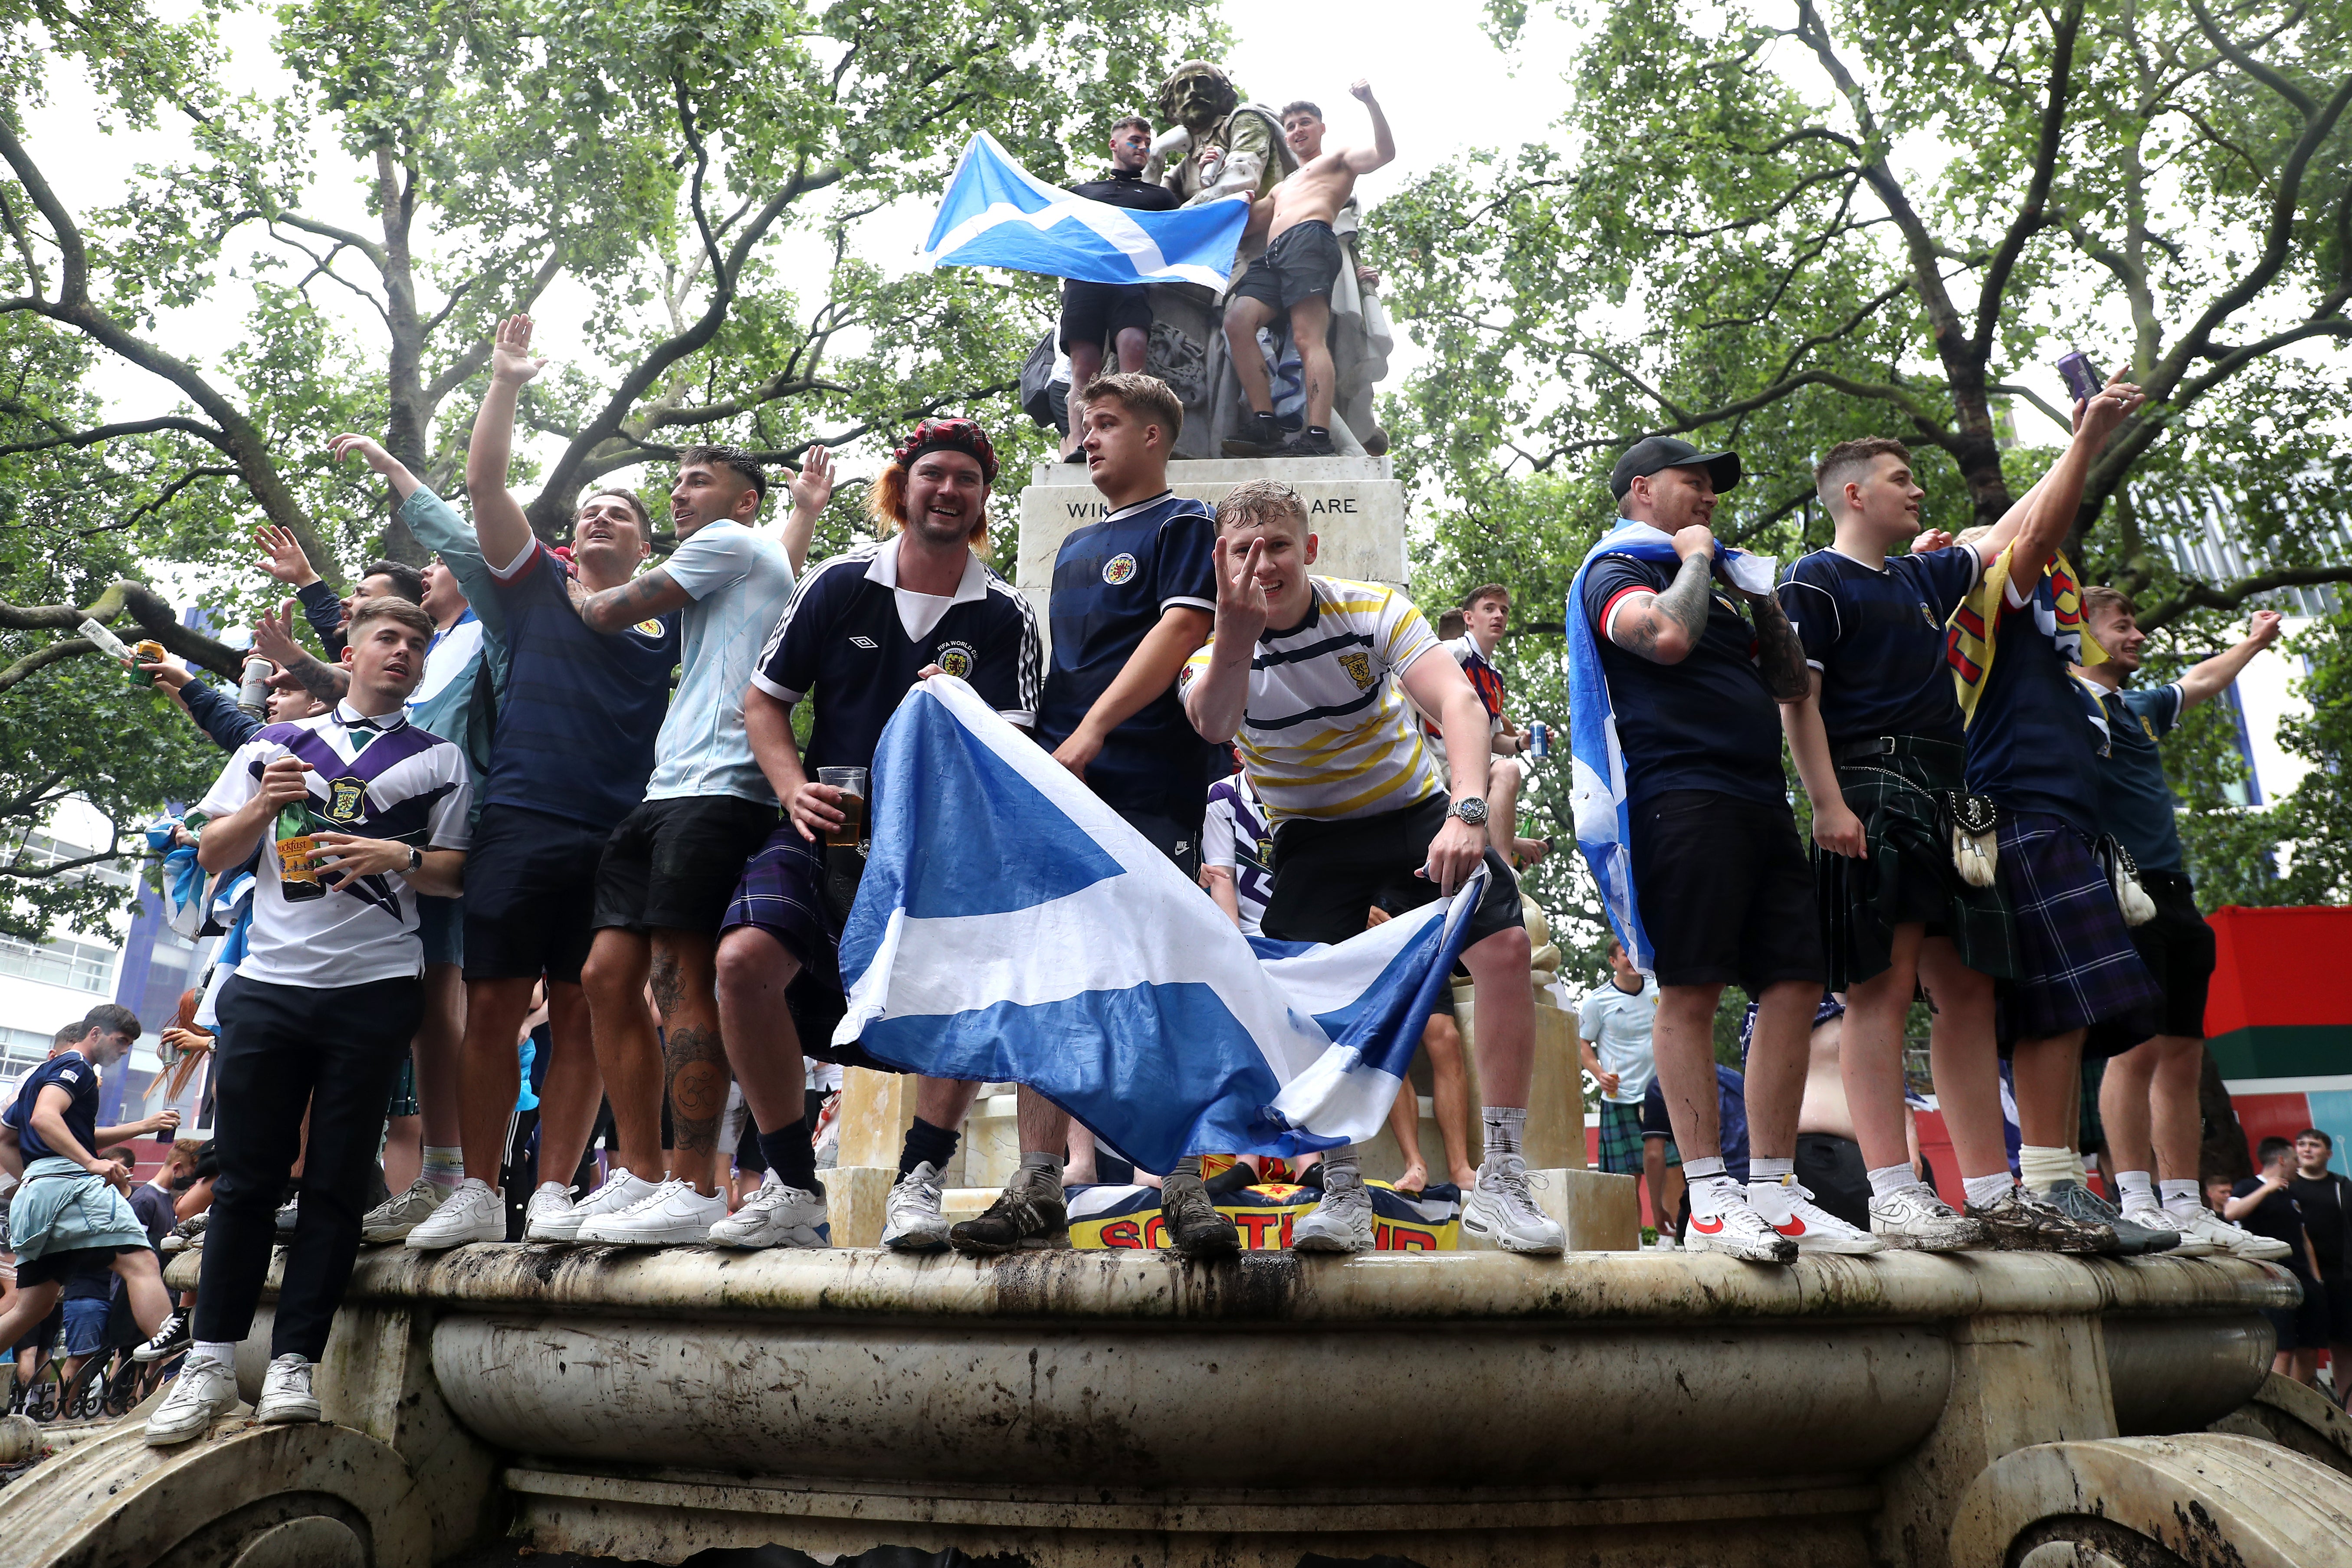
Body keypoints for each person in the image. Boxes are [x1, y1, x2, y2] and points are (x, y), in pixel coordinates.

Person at [1180, 478, 1565, 1256]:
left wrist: (1466, 810)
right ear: (1222, 561)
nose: (1264, 563)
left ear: (1310, 549)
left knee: (1507, 946)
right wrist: (1235, 631)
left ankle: (1504, 1176)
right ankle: (1344, 1189)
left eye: (1279, 545)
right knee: (1306, 997)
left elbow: (1458, 702)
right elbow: (1214, 722)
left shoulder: (1371, 608)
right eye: (1244, 549)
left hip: (1414, 811)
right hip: (1313, 836)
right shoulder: (1209, 651)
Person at [144, 595, 471, 1446]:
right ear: (350, 653)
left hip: (375, 990)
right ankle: (210, 1363)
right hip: (270, 988)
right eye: (386, 638)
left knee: (334, 1183)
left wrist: (395, 854)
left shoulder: (439, 759)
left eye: (416, 642)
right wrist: (262, 806)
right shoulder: (273, 741)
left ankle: (295, 1363)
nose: (401, 650)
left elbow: (455, 874)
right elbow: (211, 852)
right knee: (248, 1181)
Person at [1777, 434, 2112, 1252]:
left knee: (1968, 990)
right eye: (1901, 479)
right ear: (1853, 495)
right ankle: (1893, 1189)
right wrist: (1826, 802)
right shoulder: (1813, 579)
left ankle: (1993, 1192)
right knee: (1879, 991)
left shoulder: (1924, 577)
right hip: (1869, 785)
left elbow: (2014, 531)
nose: (1917, 490)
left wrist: (2084, 438)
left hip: (1951, 794)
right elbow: (1797, 699)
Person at [712, 416, 1041, 1251]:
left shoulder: (1007, 615)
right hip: (831, 828)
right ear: (904, 487)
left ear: (981, 500)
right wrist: (792, 790)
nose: (949, 490)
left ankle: (921, 1179)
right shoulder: (836, 581)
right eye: (934, 473)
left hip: (945, 844)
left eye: (967, 479)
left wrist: (958, 707)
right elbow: (765, 700)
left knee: (962, 993)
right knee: (741, 960)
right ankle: (789, 1181)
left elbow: (1018, 753)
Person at [398, 315, 673, 1250]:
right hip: (518, 818)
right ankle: (477, 1187)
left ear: (647, 549)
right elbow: (482, 485)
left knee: (590, 1010)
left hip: (618, 835)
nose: (599, 519)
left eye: (622, 515)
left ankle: (553, 1187)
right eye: (590, 509)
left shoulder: (668, 618)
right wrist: (505, 380)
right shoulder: (535, 586)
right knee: (495, 1005)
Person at [1572, 436, 1877, 1261]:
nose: (1707, 496)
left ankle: (1775, 1190)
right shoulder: (1618, 568)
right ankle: (1708, 1195)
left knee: (1795, 981)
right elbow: (1663, 638)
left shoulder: (1723, 586)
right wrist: (1700, 560)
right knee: (1694, 987)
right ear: (1642, 490)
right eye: (1691, 483)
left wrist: (1765, 597)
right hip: (1679, 799)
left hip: (1759, 799)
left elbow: (1789, 685)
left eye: (1712, 488)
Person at [553, 440, 800, 1247]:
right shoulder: (743, 556)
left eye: (699, 481)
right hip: (668, 787)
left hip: (722, 786)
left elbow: (607, 610)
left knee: (679, 974)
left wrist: (568, 580)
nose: (681, 494)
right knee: (604, 974)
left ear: (745, 501)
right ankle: (642, 1172)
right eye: (678, 482)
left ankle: (695, 1185)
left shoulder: (728, 542)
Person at [993, 373, 1217, 1256]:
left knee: (1158, 982)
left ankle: (1182, 1184)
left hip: (1148, 785)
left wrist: (1086, 737)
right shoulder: (1074, 549)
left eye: (1107, 424)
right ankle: (1037, 1182)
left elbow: (1179, 632)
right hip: (1062, 790)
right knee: (1051, 979)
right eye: (1085, 426)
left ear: (1155, 437)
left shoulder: (1182, 524)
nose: (1088, 438)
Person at [1943, 379, 2162, 1253]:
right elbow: (2032, 533)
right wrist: (2086, 439)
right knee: (2051, 1009)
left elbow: (2036, 529)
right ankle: (2047, 1185)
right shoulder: (1981, 604)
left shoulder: (2046, 647)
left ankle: (2063, 1183)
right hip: (2021, 815)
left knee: (2071, 1013)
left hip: (2059, 818)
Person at [2081, 594, 2292, 1259]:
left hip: (2175, 895)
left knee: (2181, 1055)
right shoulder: (2063, 703)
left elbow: (2200, 680)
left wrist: (2254, 643)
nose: (2137, 635)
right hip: (2119, 891)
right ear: (2078, 636)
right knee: (2135, 1050)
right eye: (2121, 626)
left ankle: (2184, 1203)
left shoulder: (2138, 709)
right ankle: (2136, 1199)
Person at [0, 1008, 176, 1407]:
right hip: (72, 1187)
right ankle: (178, 1370)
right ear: (95, 1033)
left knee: (33, 1307)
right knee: (142, 1265)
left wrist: (35, 1179)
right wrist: (91, 1164)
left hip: (35, 1195)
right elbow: (48, 1120)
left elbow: (7, 1139)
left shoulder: (36, 1080)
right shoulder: (77, 1066)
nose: (125, 1051)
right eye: (121, 1041)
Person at [1221, 83, 1393, 458]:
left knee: (1307, 338)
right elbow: (1244, 225)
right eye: (1291, 126)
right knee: (1237, 320)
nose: (1297, 130)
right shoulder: (1283, 186)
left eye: (1305, 123)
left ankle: (1317, 435)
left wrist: (1371, 103)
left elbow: (1384, 153)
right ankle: (1264, 419)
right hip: (1272, 254)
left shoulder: (1337, 160)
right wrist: (1215, 176)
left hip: (1311, 241)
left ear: (1320, 128)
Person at [1057, 115, 1181, 460]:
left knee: (1133, 345)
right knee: (1084, 364)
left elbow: (1188, 231)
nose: (1142, 147)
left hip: (1130, 283)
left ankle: (1129, 435)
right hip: (1086, 282)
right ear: (1114, 145)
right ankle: (1081, 443)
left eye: (1146, 142)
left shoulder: (1160, 197)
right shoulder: (1082, 193)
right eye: (1134, 140)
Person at [1425, 584, 1545, 866]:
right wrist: (1444, 722)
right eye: (1489, 609)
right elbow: (1405, 683)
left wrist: (1519, 744)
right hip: (1441, 761)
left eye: (1503, 610)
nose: (1498, 616)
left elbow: (1490, 738)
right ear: (1469, 618)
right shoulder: (1453, 650)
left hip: (1475, 764)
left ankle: (1505, 868)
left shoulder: (1494, 678)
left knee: (1508, 768)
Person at [1579, 938, 1678, 1243]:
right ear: (1612, 962)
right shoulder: (1598, 1001)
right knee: (1626, 1179)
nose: (1631, 960)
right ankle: (1632, 1243)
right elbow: (1581, 1042)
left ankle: (1673, 1239)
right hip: (1620, 1098)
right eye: (1625, 955)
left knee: (1675, 1168)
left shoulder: (1659, 991)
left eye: (1635, 954)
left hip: (1661, 1096)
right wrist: (1598, 1074)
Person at [2230, 1138, 2330, 1387]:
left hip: (2304, 1280)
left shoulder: (2292, 1195)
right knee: (2283, 1350)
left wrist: (2317, 1279)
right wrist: (2267, 1189)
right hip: (2273, 1278)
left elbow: (2304, 1239)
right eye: (2295, 1160)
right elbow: (2232, 1213)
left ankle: (2309, 1409)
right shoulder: (2248, 1186)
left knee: (2309, 1349)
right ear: (2282, 1160)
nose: (2299, 1165)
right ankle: (2282, 1408)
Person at [2290, 1129, 2352, 1397]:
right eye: (2301, 1144)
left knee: (2344, 1347)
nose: (2307, 1150)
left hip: (2340, 1278)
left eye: (2314, 1145)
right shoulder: (2286, 1186)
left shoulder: (2342, 1186)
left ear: (2329, 1154)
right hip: (2301, 1278)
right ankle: (2304, 1410)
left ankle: (2348, 1413)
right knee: (2302, 1349)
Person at [1201, 764, 1273, 937]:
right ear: (1241, 756)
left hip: (1303, 926)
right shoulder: (1223, 795)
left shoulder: (1306, 793)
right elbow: (1221, 876)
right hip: (1251, 930)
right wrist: (1235, 942)